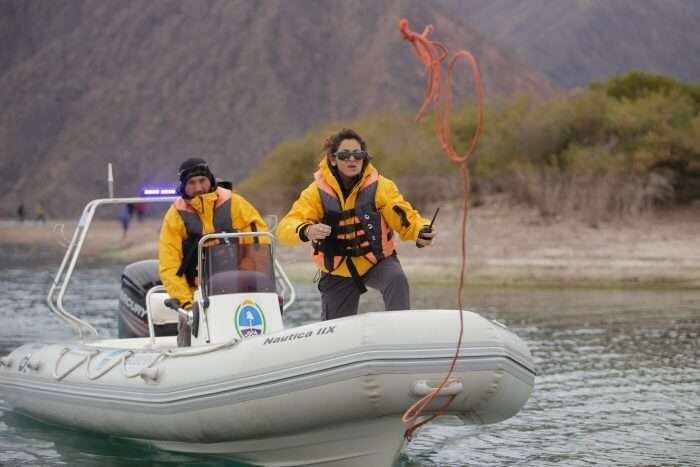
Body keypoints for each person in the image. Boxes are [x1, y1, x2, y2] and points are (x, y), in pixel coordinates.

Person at [276, 128, 436, 320]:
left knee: (396, 279)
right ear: (333, 159)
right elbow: (286, 227)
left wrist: (420, 230)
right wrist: (307, 230)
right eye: (345, 155)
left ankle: (400, 329)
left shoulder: (381, 186)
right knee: (333, 329)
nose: (352, 159)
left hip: (376, 261)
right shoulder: (315, 193)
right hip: (337, 271)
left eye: (358, 154)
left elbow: (405, 217)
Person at [159, 158, 268, 346]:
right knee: (187, 339)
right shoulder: (174, 216)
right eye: (192, 183)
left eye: (202, 180)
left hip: (239, 291)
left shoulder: (235, 204)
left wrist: (248, 278)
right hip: (195, 297)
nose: (199, 187)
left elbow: (259, 242)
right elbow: (169, 265)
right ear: (184, 186)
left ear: (210, 179)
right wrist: (187, 303)